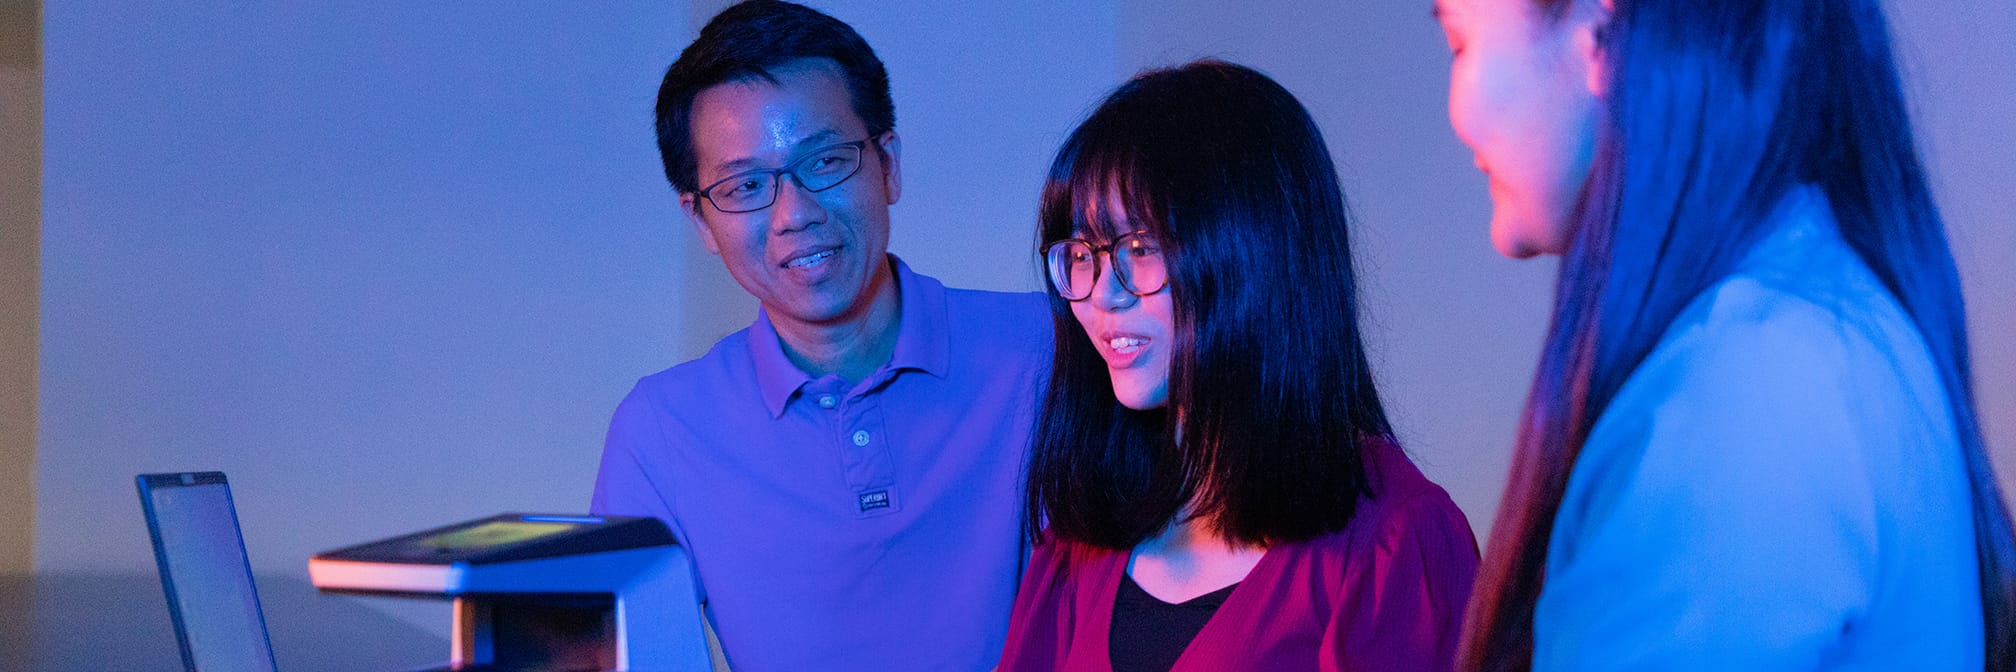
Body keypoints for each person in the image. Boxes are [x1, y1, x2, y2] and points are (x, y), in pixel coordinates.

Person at [1433, 0, 2016, 669]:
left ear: (1598, 35)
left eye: (1459, 44)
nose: (1456, 113)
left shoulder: (1753, 388)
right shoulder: (1816, 322)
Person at [588, 2, 1050, 669]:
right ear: (700, 220)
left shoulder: (1047, 351)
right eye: (746, 185)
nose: (795, 213)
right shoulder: (660, 432)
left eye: (827, 162)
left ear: (888, 164)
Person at [997, 60, 1480, 672]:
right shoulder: (1080, 540)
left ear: (1255, 255)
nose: (1101, 293)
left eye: (1140, 249)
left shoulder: (1396, 541)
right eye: (1083, 253)